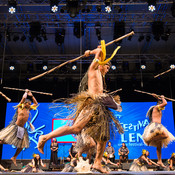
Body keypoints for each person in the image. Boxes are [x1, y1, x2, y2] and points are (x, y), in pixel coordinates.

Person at [38, 43, 123, 173]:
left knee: (103, 136)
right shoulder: (93, 69)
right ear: (101, 64)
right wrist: (93, 52)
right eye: (107, 67)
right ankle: (45, 137)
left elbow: (100, 52)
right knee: (76, 128)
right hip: (91, 105)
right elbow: (100, 52)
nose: (107, 70)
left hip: (98, 107)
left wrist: (92, 51)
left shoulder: (100, 74)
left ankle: (98, 163)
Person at [0, 89, 38, 166]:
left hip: (21, 129)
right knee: (5, 141)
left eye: (30, 104)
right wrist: (26, 93)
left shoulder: (28, 109)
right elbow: (23, 99)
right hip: (15, 127)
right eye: (29, 103)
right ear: (25, 103)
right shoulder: (20, 107)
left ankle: (14, 157)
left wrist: (32, 95)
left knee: (22, 145)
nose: (30, 104)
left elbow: (36, 103)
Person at [142, 94, 175, 167]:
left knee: (159, 146)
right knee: (166, 135)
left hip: (159, 126)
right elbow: (165, 103)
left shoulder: (159, 109)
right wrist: (163, 98)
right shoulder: (156, 107)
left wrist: (158, 98)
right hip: (155, 126)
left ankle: (159, 161)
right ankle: (149, 139)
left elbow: (162, 104)